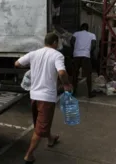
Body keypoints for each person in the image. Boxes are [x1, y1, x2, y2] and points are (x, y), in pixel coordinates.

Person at [15, 32, 72, 164]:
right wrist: (67, 85)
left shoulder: (34, 53)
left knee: (41, 122)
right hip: (46, 98)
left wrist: (34, 67)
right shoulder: (57, 55)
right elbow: (62, 72)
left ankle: (51, 139)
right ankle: (29, 155)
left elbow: (17, 63)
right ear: (55, 43)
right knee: (40, 128)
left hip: (34, 95)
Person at [71, 23, 96, 98]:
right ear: (87, 28)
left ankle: (74, 91)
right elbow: (94, 45)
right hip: (86, 55)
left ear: (80, 28)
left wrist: (75, 49)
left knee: (75, 73)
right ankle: (89, 93)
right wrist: (89, 52)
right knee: (88, 74)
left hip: (76, 55)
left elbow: (71, 42)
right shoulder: (92, 35)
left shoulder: (76, 34)